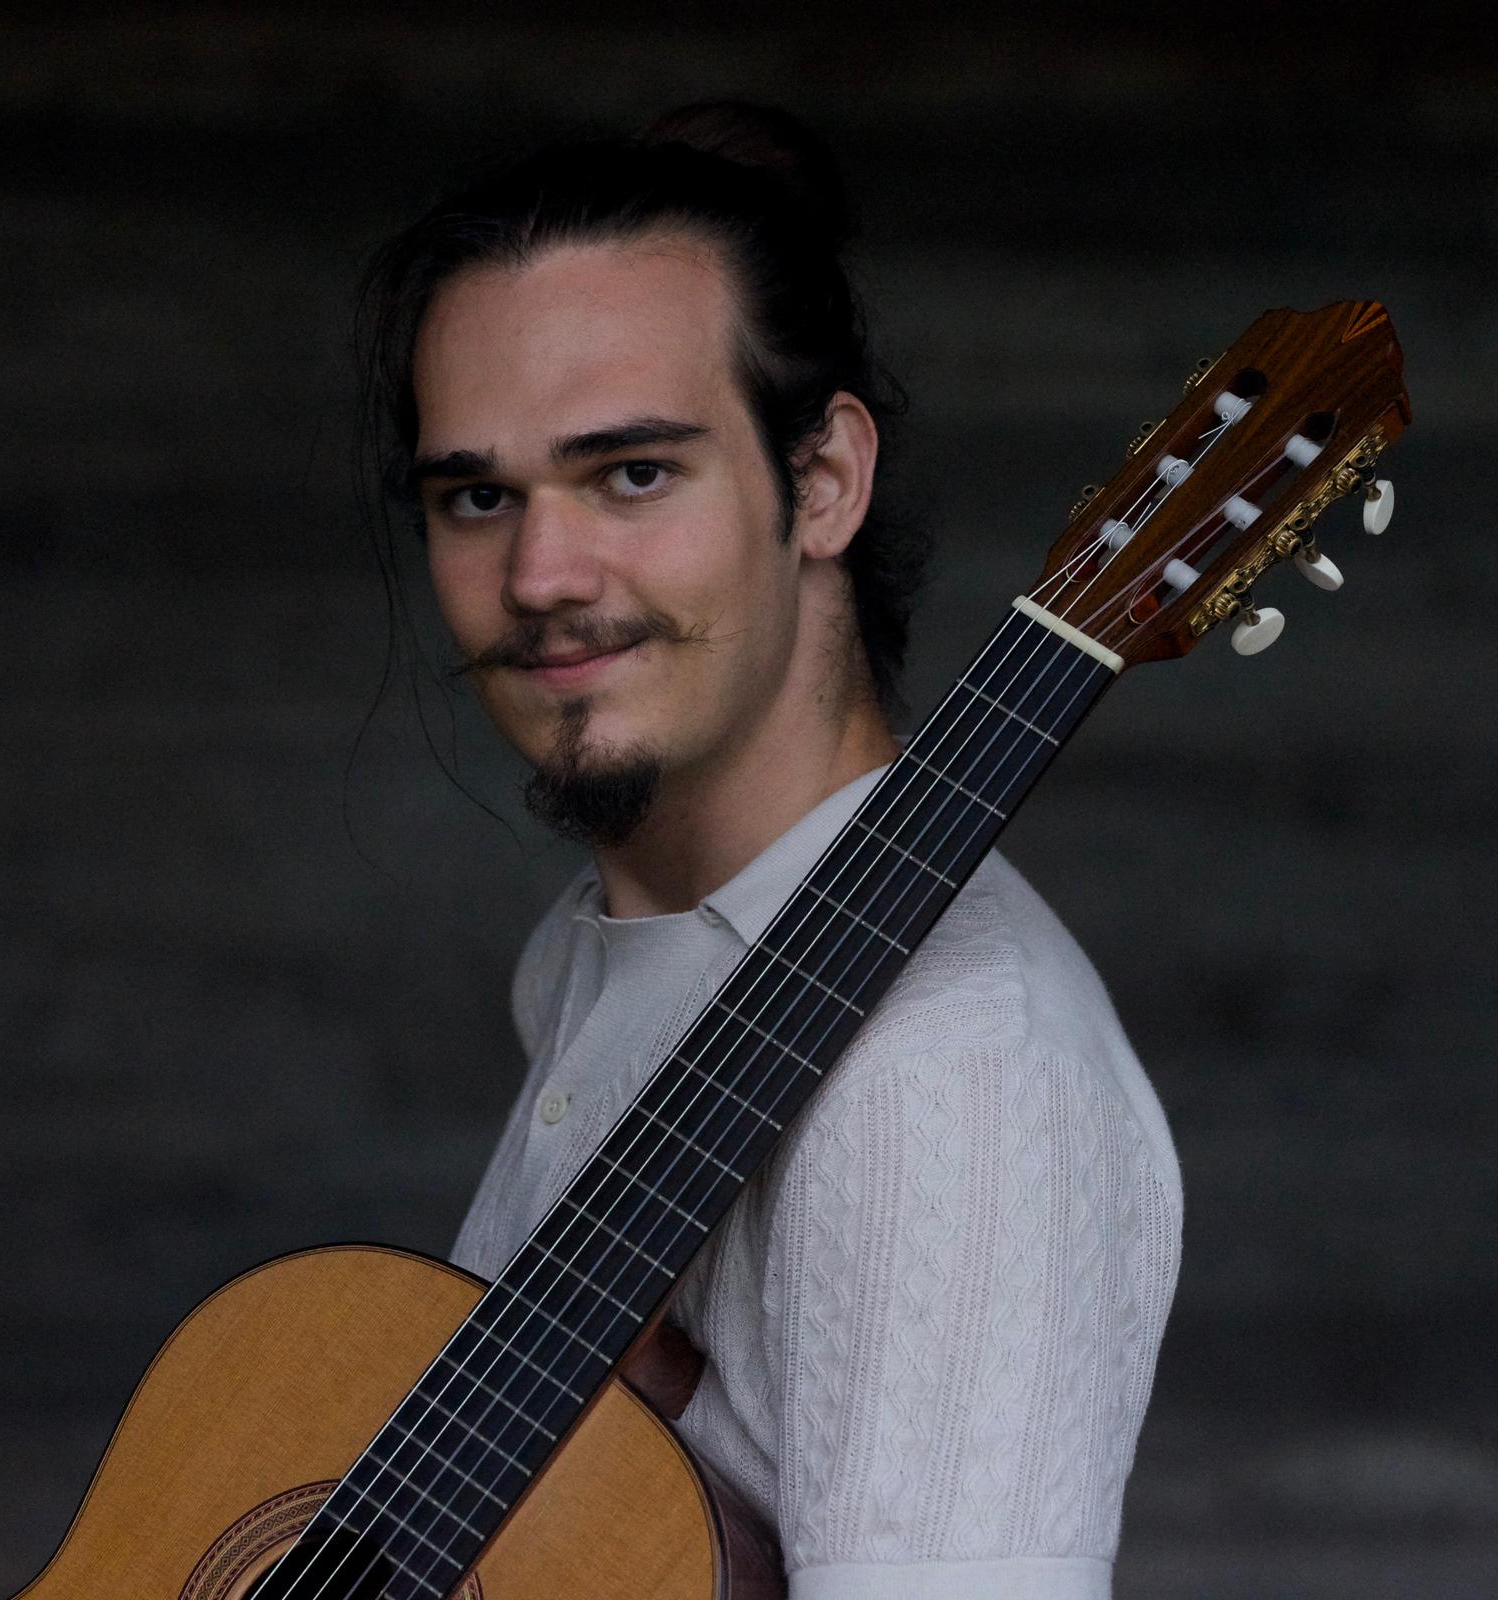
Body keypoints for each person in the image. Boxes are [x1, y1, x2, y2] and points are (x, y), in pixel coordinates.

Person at [360, 101, 1181, 1600]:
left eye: (632, 473)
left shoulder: (947, 1090)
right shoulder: (600, 948)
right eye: (477, 496)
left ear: (823, 483)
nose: (539, 577)